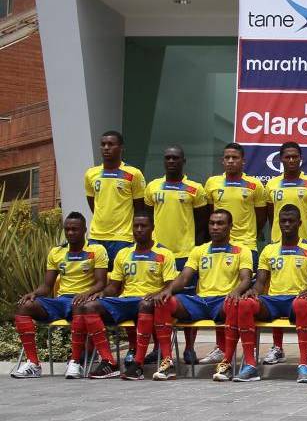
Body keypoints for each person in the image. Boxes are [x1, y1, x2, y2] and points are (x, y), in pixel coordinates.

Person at [137, 209, 253, 382]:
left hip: (223, 301)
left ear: (230, 226)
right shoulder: (199, 250)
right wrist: (167, 291)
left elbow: (246, 279)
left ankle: (227, 362)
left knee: (233, 303)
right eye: (212, 223)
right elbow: (184, 278)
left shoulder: (242, 250)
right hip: (200, 301)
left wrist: (235, 292)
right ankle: (168, 362)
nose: (215, 227)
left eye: (220, 223)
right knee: (164, 301)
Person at [74, 212, 177, 380]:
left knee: (144, 304)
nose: (139, 229)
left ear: (152, 228)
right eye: (136, 226)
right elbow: (114, 287)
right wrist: (101, 294)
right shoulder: (123, 254)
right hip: (125, 300)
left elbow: (170, 286)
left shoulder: (164, 253)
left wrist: (157, 293)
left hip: (149, 301)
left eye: (143, 226)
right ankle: (109, 362)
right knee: (89, 307)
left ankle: (138, 365)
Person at [10, 212, 107, 379]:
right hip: (61, 301)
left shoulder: (96, 250)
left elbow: (101, 283)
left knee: (78, 304)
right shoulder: (56, 252)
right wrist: (34, 293)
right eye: (67, 229)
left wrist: (85, 294)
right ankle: (33, 364)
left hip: (83, 301)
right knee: (25, 307)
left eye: (75, 229)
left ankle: (75, 362)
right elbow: (47, 286)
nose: (70, 232)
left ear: (84, 230)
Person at [236, 204, 307, 383]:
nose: (287, 224)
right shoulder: (269, 250)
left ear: (299, 223)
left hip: (296, 299)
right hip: (273, 301)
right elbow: (260, 282)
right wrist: (252, 291)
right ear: (278, 223)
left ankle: (304, 365)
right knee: (245, 304)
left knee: (302, 303)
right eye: (283, 221)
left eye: (291, 221)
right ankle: (250, 365)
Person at [200, 142, 267, 365]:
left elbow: (261, 216)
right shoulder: (212, 183)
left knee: (246, 300)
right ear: (222, 160)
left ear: (243, 161)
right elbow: (209, 214)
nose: (230, 161)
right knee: (222, 295)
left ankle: (251, 349)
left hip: (246, 247)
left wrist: (248, 236)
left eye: (235, 158)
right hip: (219, 247)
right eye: (227, 157)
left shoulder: (254, 185)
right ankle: (221, 348)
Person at [144, 145, 210, 364]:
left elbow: (202, 224)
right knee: (157, 301)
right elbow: (148, 218)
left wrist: (193, 249)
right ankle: (159, 348)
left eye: (175, 158)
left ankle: (189, 348)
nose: (171, 161)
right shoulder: (153, 187)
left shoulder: (195, 189)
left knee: (188, 302)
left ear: (183, 161)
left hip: (184, 255)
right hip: (158, 255)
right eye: (167, 158)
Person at [263, 142, 307, 365]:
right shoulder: (271, 185)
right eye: (287, 157)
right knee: (276, 293)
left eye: (295, 156)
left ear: (301, 158)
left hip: (306, 246)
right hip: (279, 247)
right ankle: (277, 347)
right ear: (281, 159)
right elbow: (270, 215)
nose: (292, 160)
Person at [84, 130, 146, 266]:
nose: (106, 148)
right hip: (96, 237)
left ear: (121, 148)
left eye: (111, 144)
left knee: (119, 278)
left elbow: (139, 208)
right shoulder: (91, 174)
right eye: (103, 144)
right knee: (97, 277)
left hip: (123, 238)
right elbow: (93, 203)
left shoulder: (133, 174)